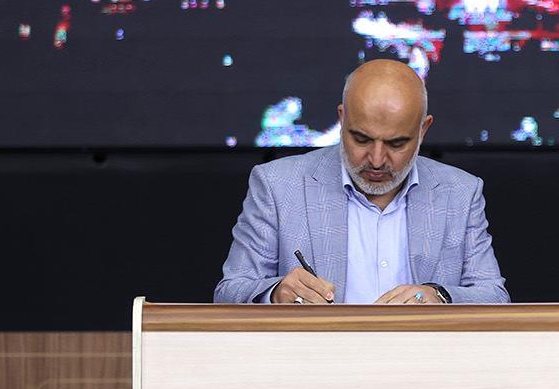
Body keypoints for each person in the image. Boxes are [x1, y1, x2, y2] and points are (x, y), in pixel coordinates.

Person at [215, 59, 509, 305]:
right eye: (361, 139)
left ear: (423, 130)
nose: (377, 159)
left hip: (423, 354)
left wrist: (440, 296)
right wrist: (276, 293)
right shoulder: (278, 185)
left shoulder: (461, 192)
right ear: (342, 119)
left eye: (396, 143)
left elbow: (494, 296)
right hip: (316, 354)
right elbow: (229, 292)